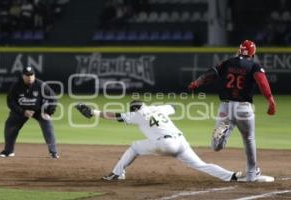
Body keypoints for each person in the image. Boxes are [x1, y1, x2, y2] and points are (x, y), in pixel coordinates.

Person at [75, 100, 242, 182]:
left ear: (133, 108)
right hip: (181, 141)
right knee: (201, 165)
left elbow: (113, 115)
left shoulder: (136, 115)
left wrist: (93, 112)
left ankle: (117, 173)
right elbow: (174, 107)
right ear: (144, 104)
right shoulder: (157, 109)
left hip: (164, 145)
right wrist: (164, 105)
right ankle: (232, 176)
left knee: (135, 147)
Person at [188, 40, 276, 182]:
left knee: (216, 146)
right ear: (253, 53)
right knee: (249, 139)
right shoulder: (254, 66)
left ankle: (222, 132)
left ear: (239, 50)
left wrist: (197, 82)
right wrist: (270, 100)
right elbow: (262, 82)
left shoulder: (228, 62)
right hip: (243, 108)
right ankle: (252, 174)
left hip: (225, 106)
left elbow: (211, 73)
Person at [0, 66, 59, 159]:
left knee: (47, 124)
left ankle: (53, 152)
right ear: (23, 76)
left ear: (34, 75)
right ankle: (8, 151)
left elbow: (53, 97)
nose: (29, 77)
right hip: (22, 111)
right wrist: (22, 112)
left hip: (39, 111)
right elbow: (10, 102)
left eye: (31, 75)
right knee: (10, 125)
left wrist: (49, 112)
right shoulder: (16, 86)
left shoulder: (41, 85)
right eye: (27, 75)